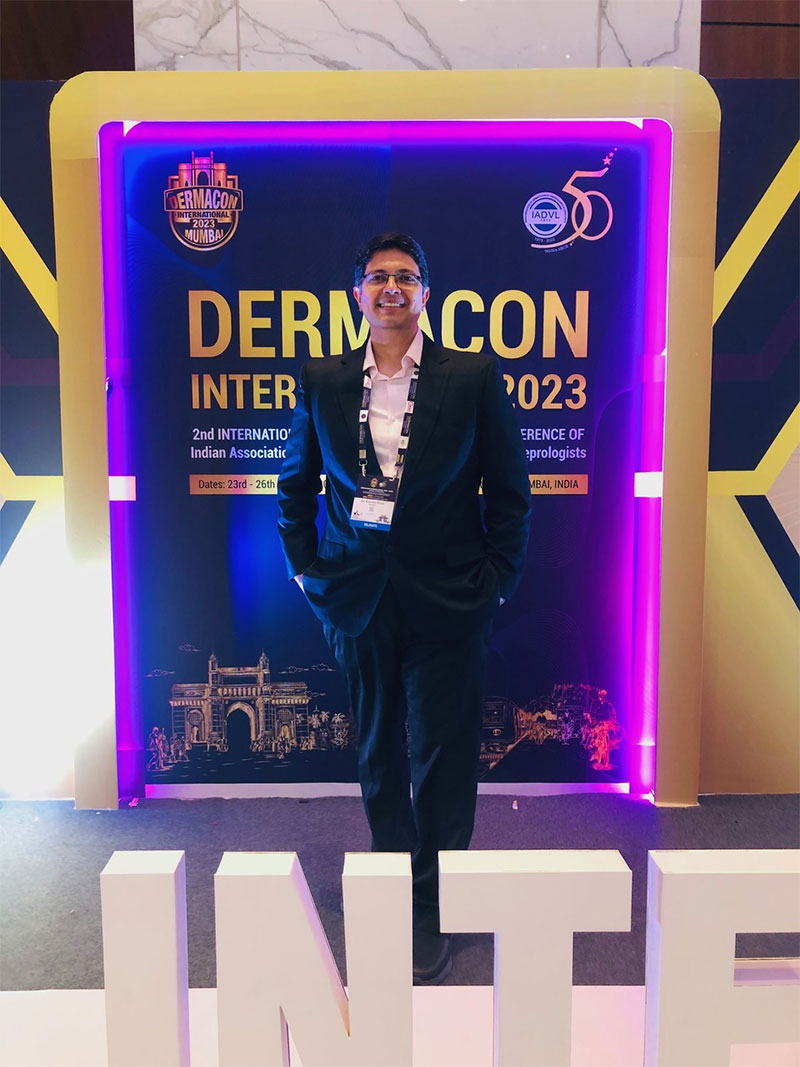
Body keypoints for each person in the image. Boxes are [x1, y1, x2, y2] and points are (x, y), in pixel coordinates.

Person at [277, 233, 530, 984]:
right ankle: (393, 885)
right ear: (357, 292)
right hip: (356, 593)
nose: (392, 287)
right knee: (378, 750)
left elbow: (509, 491)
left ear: (426, 292)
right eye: (379, 276)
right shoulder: (323, 378)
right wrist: (306, 570)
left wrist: (496, 580)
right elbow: (295, 484)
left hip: (450, 593)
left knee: (444, 755)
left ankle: (433, 902)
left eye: (407, 276)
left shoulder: (472, 375)